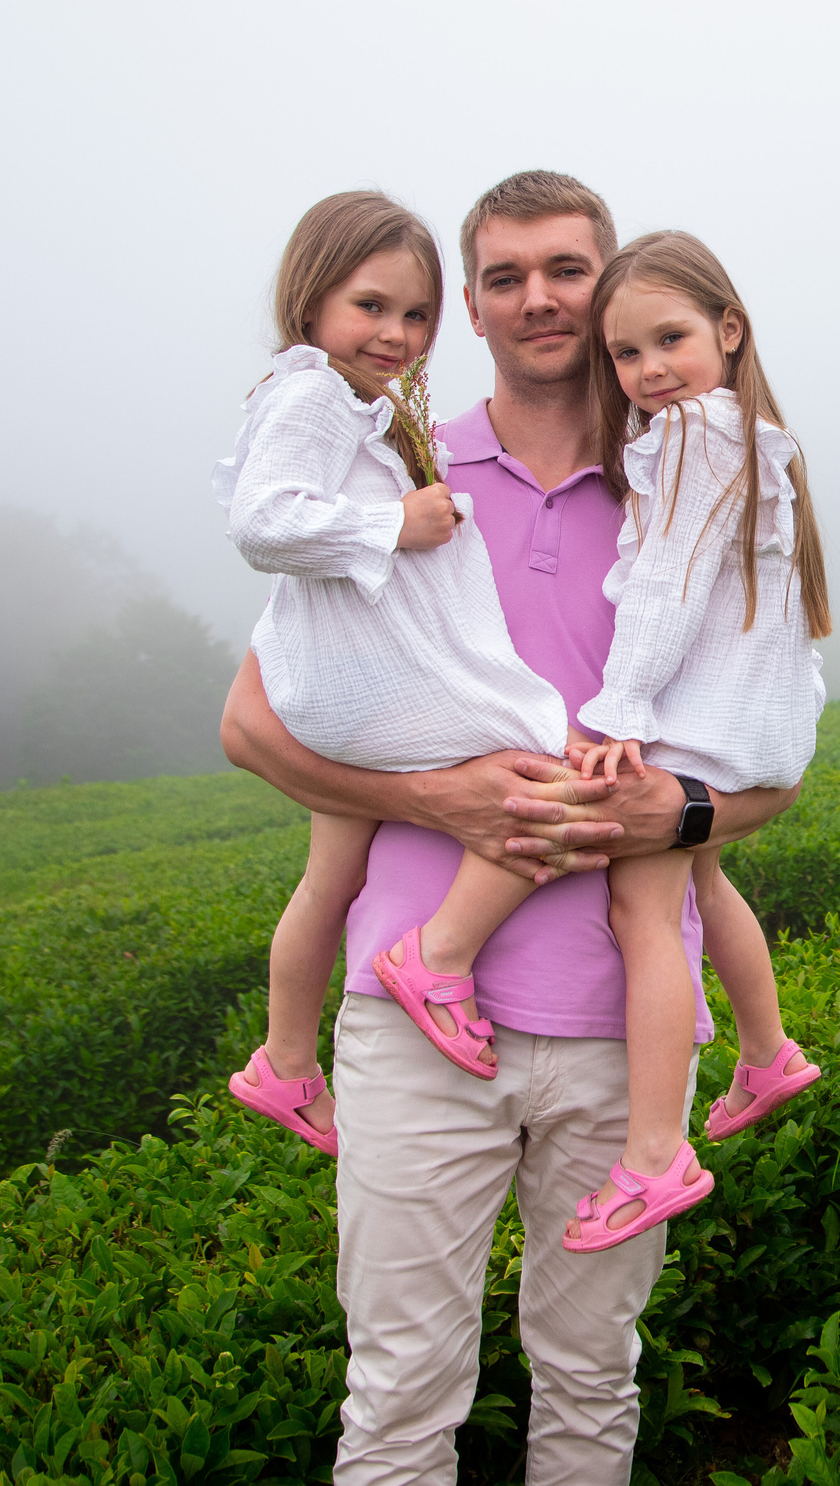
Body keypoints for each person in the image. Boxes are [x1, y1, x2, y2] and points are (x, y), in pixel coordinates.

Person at [220, 172, 801, 1485]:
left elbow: (771, 762)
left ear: (612, 288)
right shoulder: (396, 469)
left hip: (622, 1028)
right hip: (417, 1015)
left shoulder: (690, 469)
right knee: (399, 1393)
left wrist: (682, 806)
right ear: (466, 309)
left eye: (567, 269)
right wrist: (434, 797)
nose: (538, 296)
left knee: (595, 1384)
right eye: (502, 276)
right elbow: (252, 726)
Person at [216, 191, 573, 1156]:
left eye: (414, 315)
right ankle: (437, 958)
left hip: (340, 686)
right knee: (544, 767)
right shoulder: (314, 394)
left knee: (327, 875)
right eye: (371, 306)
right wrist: (397, 523)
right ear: (311, 297)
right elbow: (262, 522)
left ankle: (285, 1063)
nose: (396, 333)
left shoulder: (357, 408)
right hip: (355, 689)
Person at [557, 231, 830, 1252]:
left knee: (644, 905)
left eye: (669, 338)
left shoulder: (690, 435)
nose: (648, 372)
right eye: (625, 356)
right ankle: (765, 1054)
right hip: (754, 724)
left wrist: (618, 707)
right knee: (704, 881)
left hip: (699, 722)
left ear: (728, 327)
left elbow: (665, 585)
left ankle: (653, 1154)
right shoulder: (748, 431)